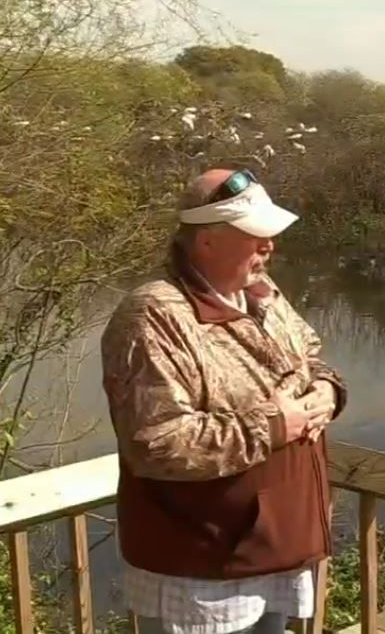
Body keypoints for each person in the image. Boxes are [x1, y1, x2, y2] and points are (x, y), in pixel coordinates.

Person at [101, 168, 347, 634]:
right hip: (204, 570)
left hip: (272, 549)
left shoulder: (261, 295)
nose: (269, 245)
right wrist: (276, 426)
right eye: (254, 234)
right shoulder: (154, 315)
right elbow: (156, 442)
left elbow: (310, 357)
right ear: (207, 241)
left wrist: (327, 393)